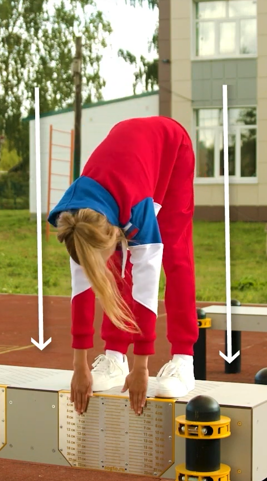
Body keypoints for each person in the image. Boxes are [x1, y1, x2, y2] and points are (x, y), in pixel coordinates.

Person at [47, 116, 197, 417]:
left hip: (170, 149)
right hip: (126, 162)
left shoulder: (137, 208)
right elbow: (82, 291)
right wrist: (79, 364)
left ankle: (184, 359)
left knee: (175, 253)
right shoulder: (77, 223)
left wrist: (142, 365)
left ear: (116, 230)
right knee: (117, 261)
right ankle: (114, 356)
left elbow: (146, 284)